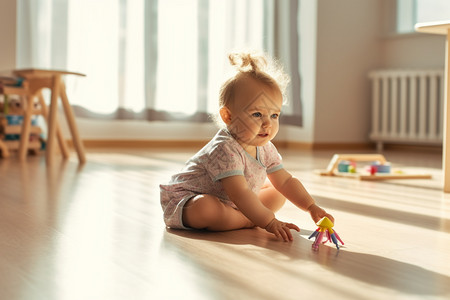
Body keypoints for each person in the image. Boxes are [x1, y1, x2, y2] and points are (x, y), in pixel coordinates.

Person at [160, 51, 334, 242]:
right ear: (228, 116)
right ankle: (248, 219)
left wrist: (311, 206)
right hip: (188, 200)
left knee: (278, 192)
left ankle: (245, 217)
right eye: (257, 114)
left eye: (274, 115)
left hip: (232, 203)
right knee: (206, 208)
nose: (267, 123)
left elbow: (285, 181)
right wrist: (269, 221)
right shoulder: (225, 148)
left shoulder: (266, 147)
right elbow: (240, 193)